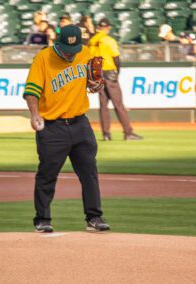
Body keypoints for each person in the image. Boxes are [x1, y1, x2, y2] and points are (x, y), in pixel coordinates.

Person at [23, 25, 110, 233]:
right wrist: (35, 114)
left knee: (89, 172)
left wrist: (96, 85)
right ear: (58, 44)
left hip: (80, 124)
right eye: (66, 50)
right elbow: (31, 91)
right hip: (52, 127)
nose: (71, 54)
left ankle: (94, 218)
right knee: (47, 174)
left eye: (74, 50)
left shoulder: (85, 53)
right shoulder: (43, 58)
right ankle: (42, 219)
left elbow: (92, 84)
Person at [88, 18, 143, 141]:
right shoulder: (109, 40)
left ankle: (106, 134)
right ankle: (128, 132)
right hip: (108, 71)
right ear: (108, 27)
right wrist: (117, 72)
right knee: (118, 104)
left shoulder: (92, 41)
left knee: (103, 105)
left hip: (96, 72)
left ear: (98, 27)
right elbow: (116, 58)